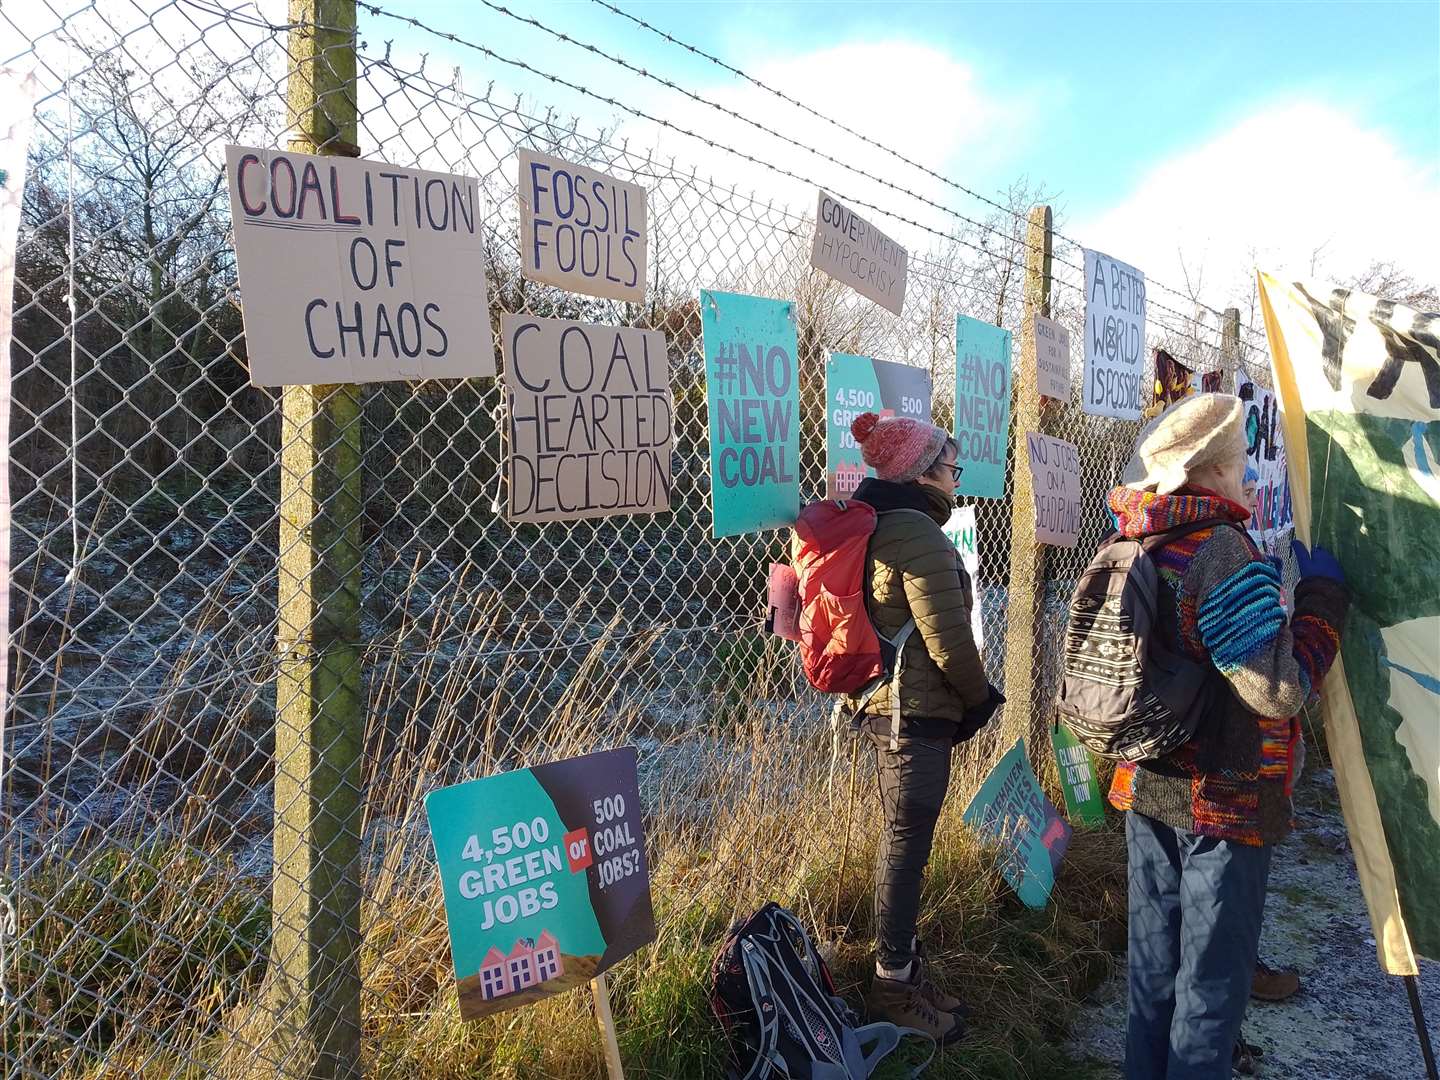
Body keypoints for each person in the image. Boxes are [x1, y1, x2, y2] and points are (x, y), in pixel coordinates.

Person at [1102, 394, 1349, 1079]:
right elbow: (1275, 689)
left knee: (1153, 977)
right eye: (1241, 459)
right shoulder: (1218, 549)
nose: (1247, 472)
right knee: (1210, 993)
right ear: (1214, 469)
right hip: (1223, 800)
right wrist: (1322, 604)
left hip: (1146, 781)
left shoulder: (1134, 535)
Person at [844, 411, 1004, 1045]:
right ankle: (891, 987)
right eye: (950, 467)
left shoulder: (879, 522)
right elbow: (950, 643)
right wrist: (978, 699)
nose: (956, 479)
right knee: (906, 846)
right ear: (920, 471)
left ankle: (905, 970)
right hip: (913, 713)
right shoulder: (917, 535)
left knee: (903, 839)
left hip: (887, 707)